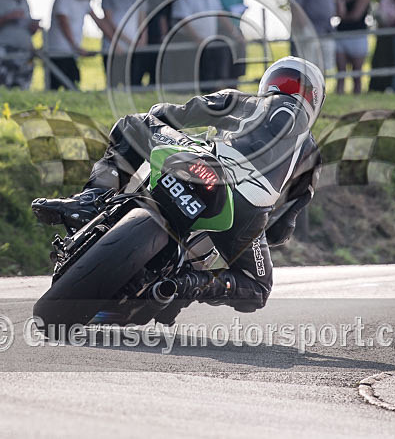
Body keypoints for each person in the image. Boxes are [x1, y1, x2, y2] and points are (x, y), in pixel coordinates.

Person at [32, 56, 324, 319]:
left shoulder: (242, 101)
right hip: (249, 209)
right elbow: (280, 229)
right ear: (314, 102)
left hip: (206, 166)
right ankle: (188, 284)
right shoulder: (312, 157)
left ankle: (90, 200)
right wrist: (255, 235)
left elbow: (171, 113)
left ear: (269, 83)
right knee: (257, 288)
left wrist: (168, 122)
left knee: (133, 124)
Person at [170, 0, 231, 89]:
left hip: (208, 39)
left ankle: (220, 90)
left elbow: (218, 11)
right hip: (188, 40)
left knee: (219, 61)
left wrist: (234, 32)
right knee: (197, 77)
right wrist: (197, 39)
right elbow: (182, 19)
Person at [44, 0, 111, 90]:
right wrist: (76, 46)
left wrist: (115, 39)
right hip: (58, 52)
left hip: (70, 53)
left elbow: (99, 21)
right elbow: (63, 23)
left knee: (74, 83)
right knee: (59, 86)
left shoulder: (84, 2)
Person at [101, 0, 146, 86]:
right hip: (114, 47)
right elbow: (109, 22)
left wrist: (142, 40)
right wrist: (129, 42)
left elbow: (142, 18)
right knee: (114, 85)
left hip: (135, 48)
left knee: (135, 84)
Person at [209, 0, 247, 88]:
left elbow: (240, 2)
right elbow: (215, 8)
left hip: (235, 26)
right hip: (218, 29)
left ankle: (234, 89)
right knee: (222, 62)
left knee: (238, 61)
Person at [335, 0, 370, 94]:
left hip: (357, 36)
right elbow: (337, 13)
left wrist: (344, 16)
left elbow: (356, 15)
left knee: (357, 74)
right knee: (341, 73)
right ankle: (339, 95)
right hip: (341, 35)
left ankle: (357, 97)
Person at [131, 0, 166, 86]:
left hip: (155, 35)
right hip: (136, 36)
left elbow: (162, 14)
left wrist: (164, 35)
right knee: (135, 73)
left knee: (155, 74)